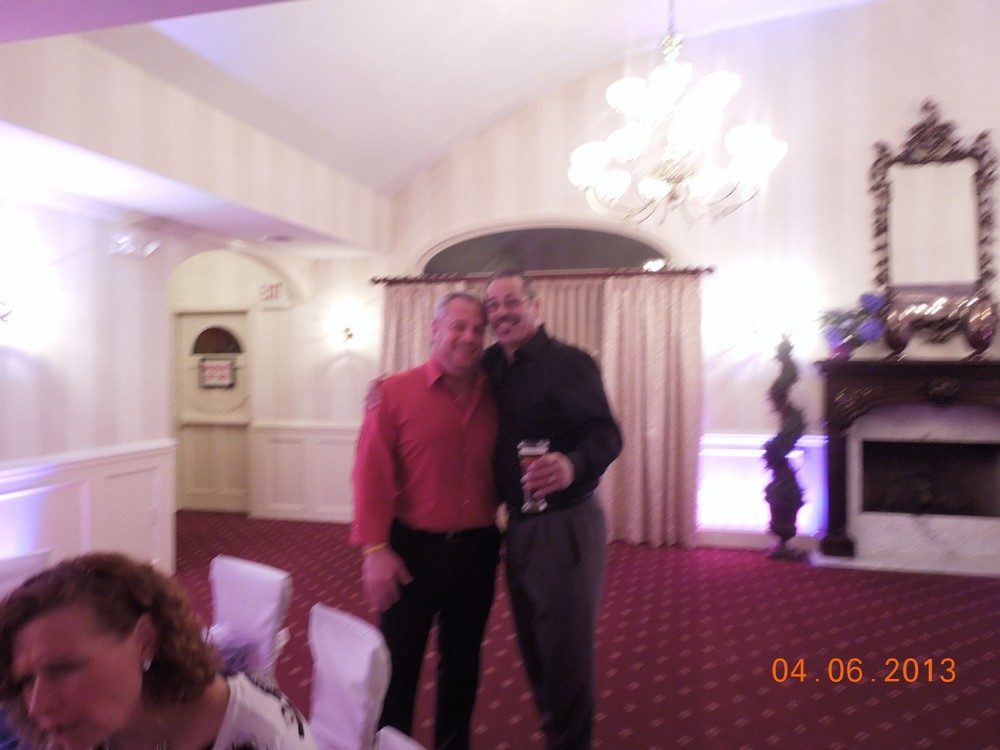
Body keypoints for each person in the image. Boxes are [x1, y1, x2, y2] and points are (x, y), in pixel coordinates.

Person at [351, 291, 502, 750]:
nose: (469, 337)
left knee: (462, 664)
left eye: (478, 329)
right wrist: (375, 549)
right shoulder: (393, 393)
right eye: (458, 326)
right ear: (435, 330)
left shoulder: (498, 394)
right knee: (398, 667)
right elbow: (370, 475)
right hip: (409, 552)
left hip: (477, 550)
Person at [481, 268, 622, 750]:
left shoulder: (569, 363)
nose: (501, 313)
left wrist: (571, 464)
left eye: (511, 302)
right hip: (519, 526)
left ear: (535, 306)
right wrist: (386, 388)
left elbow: (607, 434)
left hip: (566, 524)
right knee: (535, 649)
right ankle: (557, 735)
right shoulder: (490, 366)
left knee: (565, 654)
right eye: (493, 305)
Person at [0, 551, 315, 750]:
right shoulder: (90, 725)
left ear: (145, 640)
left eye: (64, 668)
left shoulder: (266, 737)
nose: (36, 706)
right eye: (25, 681)